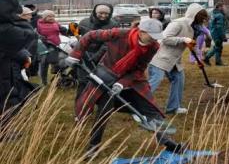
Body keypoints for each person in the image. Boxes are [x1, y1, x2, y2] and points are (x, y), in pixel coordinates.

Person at [64, 19, 169, 156]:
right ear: (141, 32)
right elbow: (89, 36)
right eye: (152, 36)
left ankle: (168, 143)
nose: (154, 40)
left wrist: (122, 83)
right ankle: (93, 147)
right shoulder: (119, 34)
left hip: (132, 79)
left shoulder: (153, 46)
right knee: (104, 112)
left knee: (150, 110)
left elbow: (139, 69)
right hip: (106, 75)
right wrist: (75, 55)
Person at [148, 4, 204, 115]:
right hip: (160, 57)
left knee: (179, 80)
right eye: (201, 17)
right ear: (194, 15)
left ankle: (173, 108)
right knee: (155, 80)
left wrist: (199, 57)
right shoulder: (178, 23)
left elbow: (192, 43)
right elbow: (164, 38)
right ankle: (135, 104)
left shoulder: (194, 27)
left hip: (174, 60)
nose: (203, 20)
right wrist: (183, 39)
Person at [0, 0, 37, 139]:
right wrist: (15, 17)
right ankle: (4, 133)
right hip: (4, 74)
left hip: (6, 69)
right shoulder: (7, 29)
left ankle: (5, 131)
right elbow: (26, 35)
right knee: (5, 102)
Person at [76, 4, 119, 97]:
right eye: (101, 13)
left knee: (99, 81)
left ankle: (95, 100)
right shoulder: (84, 22)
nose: (103, 16)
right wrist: (73, 30)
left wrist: (96, 57)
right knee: (83, 80)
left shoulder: (113, 24)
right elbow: (78, 35)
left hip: (102, 56)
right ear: (95, 12)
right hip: (84, 55)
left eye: (106, 14)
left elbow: (108, 43)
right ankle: (80, 103)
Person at [36, 10, 68, 85]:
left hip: (55, 45)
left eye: (53, 16)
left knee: (59, 61)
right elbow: (34, 33)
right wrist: (39, 36)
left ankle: (62, 79)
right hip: (43, 46)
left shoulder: (55, 23)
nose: (52, 18)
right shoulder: (38, 24)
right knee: (43, 63)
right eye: (49, 16)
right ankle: (43, 82)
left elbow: (62, 30)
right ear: (44, 17)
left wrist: (64, 30)